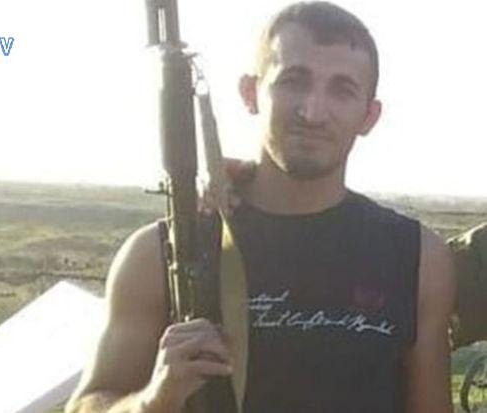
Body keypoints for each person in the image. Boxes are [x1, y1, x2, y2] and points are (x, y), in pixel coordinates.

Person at [66, 2, 456, 412]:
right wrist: (155, 399)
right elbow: (88, 404)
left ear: (369, 116)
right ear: (251, 92)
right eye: (293, 81)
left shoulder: (417, 258)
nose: (313, 112)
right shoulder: (163, 253)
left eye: (342, 90)